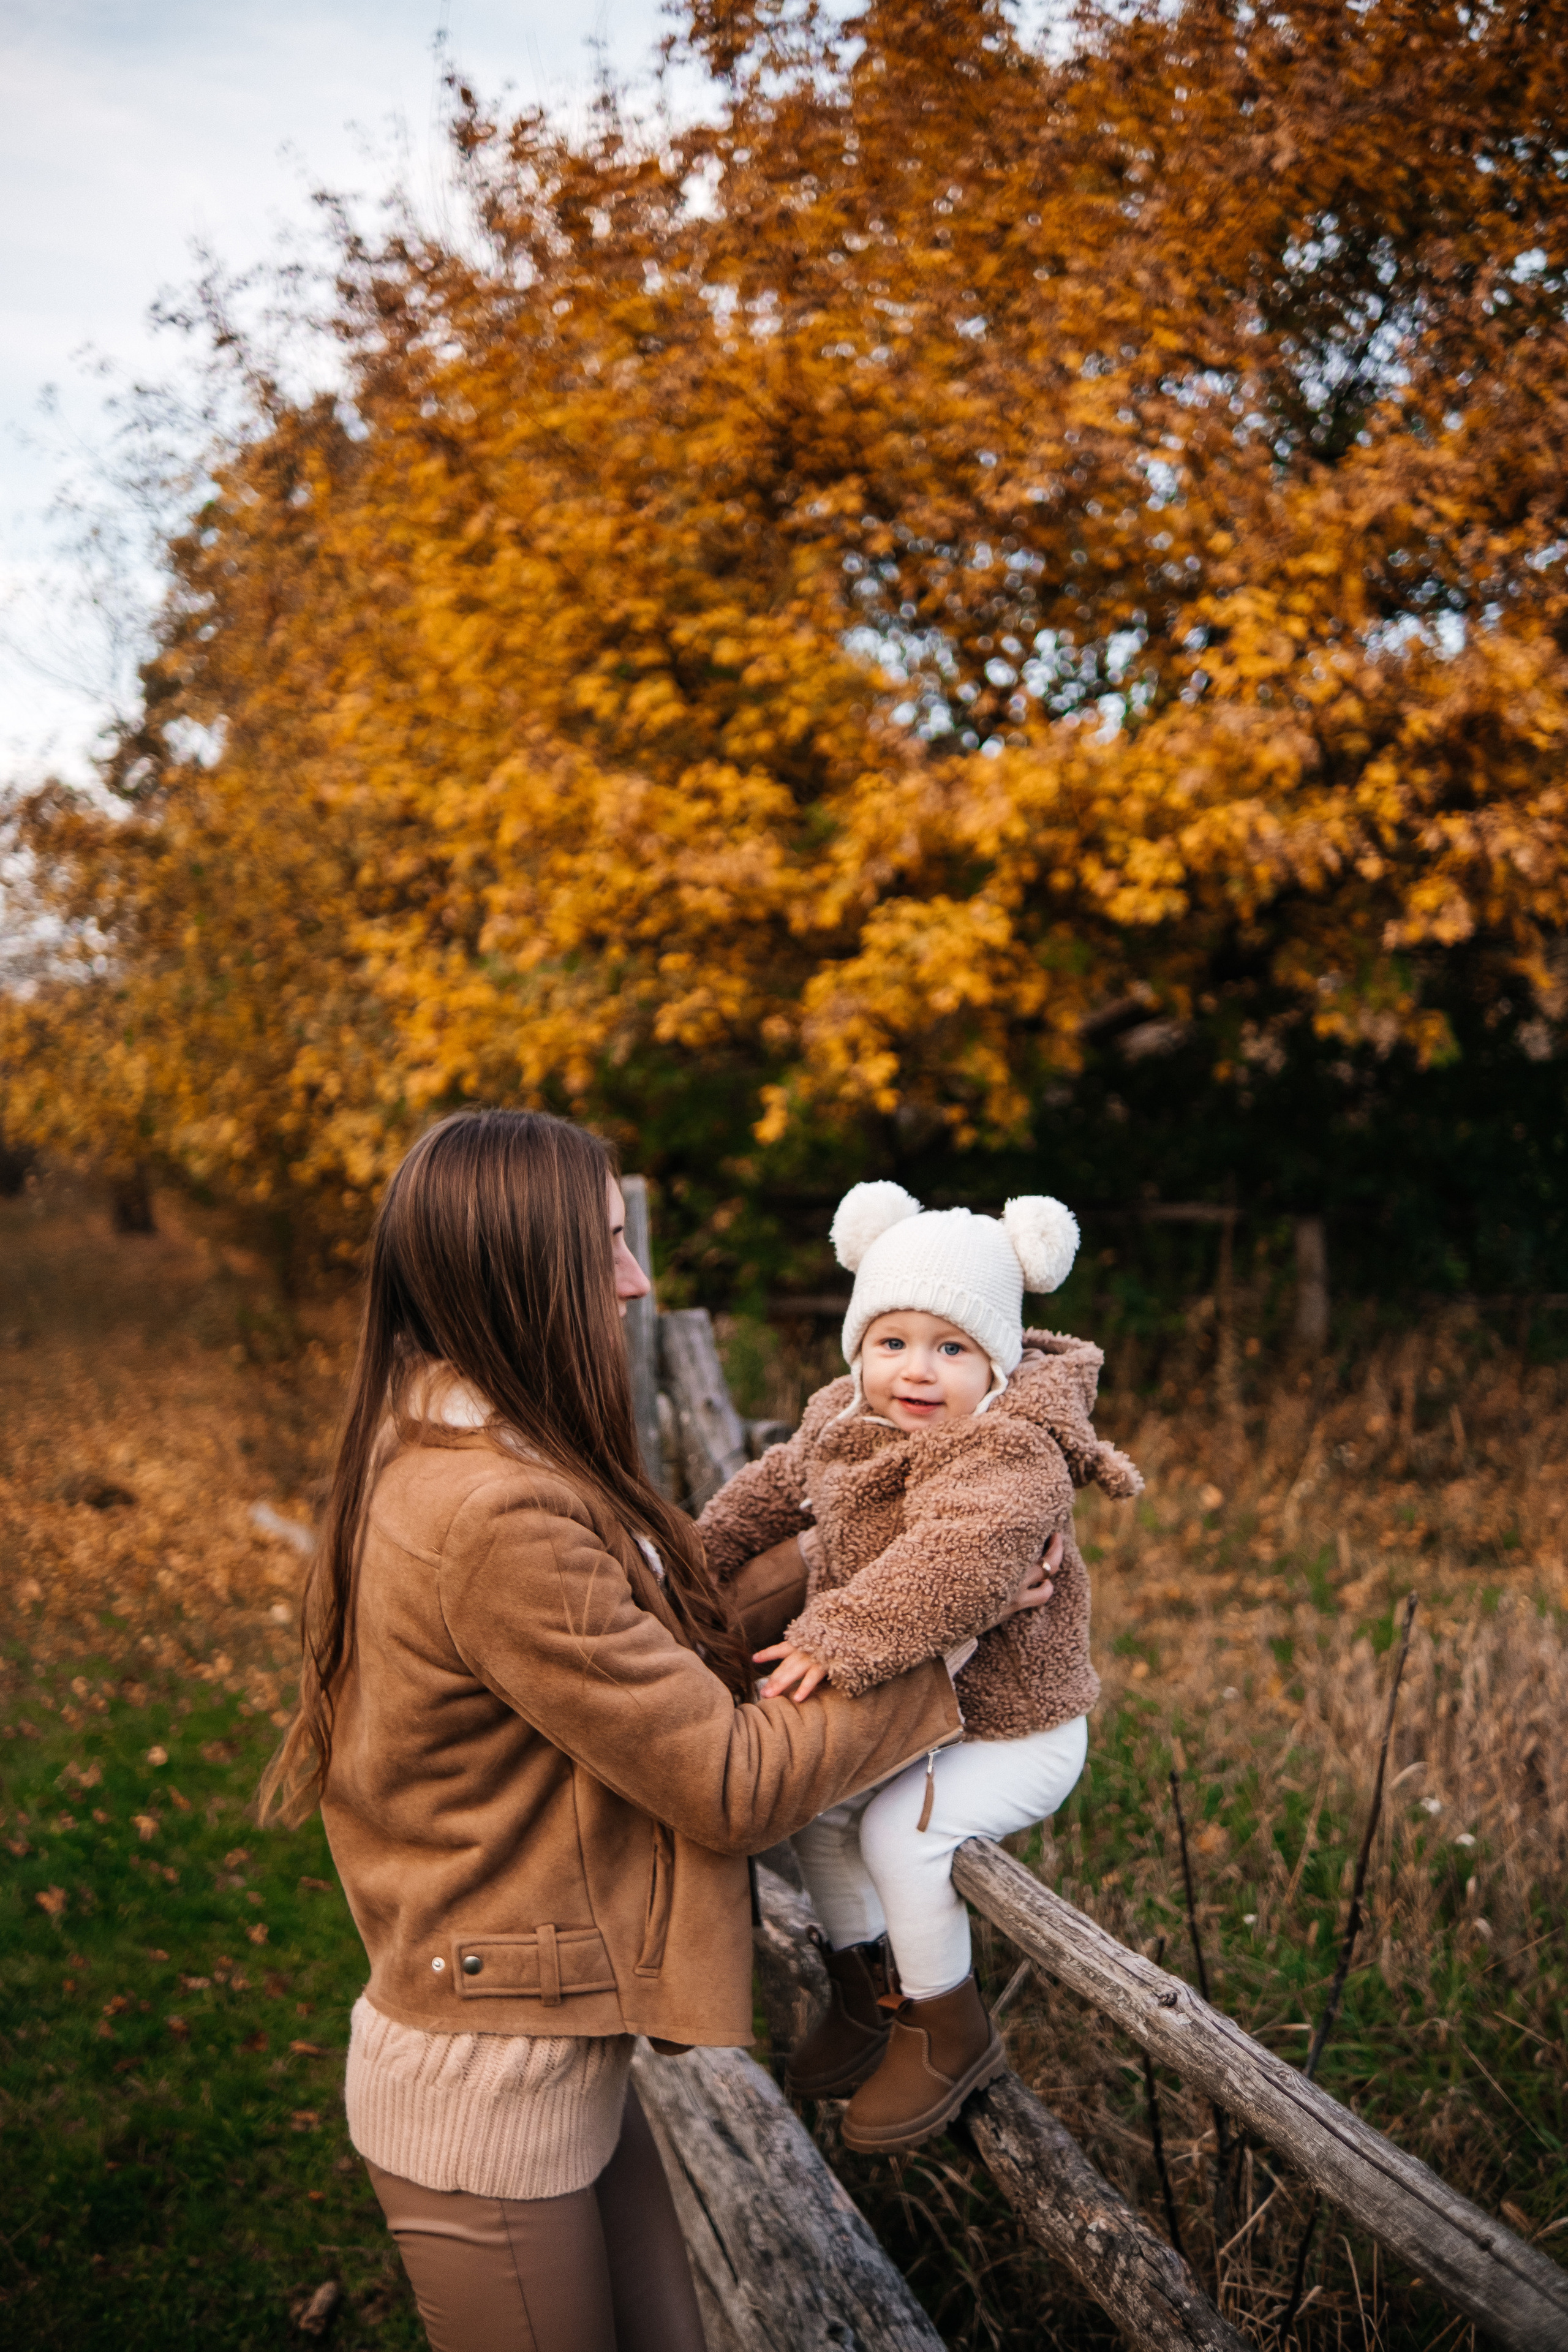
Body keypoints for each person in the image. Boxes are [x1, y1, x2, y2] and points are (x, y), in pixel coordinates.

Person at [259, 1110, 1049, 2352]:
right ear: (518, 1275)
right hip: (485, 2099)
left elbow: (654, 1650)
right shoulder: (493, 1511)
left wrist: (890, 1558)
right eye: (608, 1252)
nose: (634, 1280)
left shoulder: (467, 1440)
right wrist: (946, 1643)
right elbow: (727, 1782)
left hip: (544, 2063)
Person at [695, 1180, 1143, 2155]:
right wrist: (695, 1558)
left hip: (1011, 1728)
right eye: (892, 1342)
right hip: (916, 1713)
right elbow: (773, 1488)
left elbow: (961, 1560)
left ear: (998, 1360)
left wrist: (836, 1634)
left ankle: (948, 2030)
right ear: (859, 1348)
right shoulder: (846, 1416)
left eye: (952, 1349)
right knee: (819, 1810)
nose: (917, 1372)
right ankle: (868, 1992)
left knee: (902, 1834)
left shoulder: (1008, 1451)